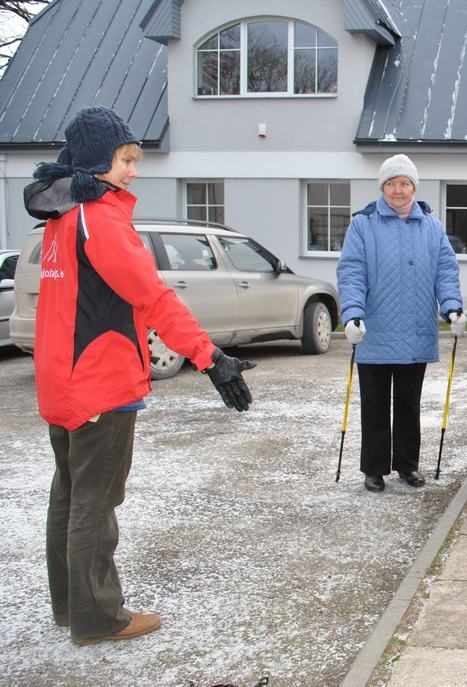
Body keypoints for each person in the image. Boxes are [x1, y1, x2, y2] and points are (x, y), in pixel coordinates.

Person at [24, 106, 255, 645]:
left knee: (70, 495)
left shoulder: (61, 218)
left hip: (63, 380)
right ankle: (99, 617)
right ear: (95, 161)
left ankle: (71, 606)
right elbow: (152, 296)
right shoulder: (99, 220)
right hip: (99, 383)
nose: (133, 171)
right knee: (96, 501)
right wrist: (209, 357)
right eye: (125, 160)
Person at [338, 154, 466, 492]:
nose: (398, 189)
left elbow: (445, 271)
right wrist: (352, 313)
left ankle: (407, 465)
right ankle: (374, 468)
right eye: (392, 183)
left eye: (404, 183)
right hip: (374, 330)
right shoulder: (363, 224)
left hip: (415, 330)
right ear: (383, 187)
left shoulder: (432, 227)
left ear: (414, 187)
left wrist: (452, 307)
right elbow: (351, 271)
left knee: (409, 403)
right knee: (375, 403)